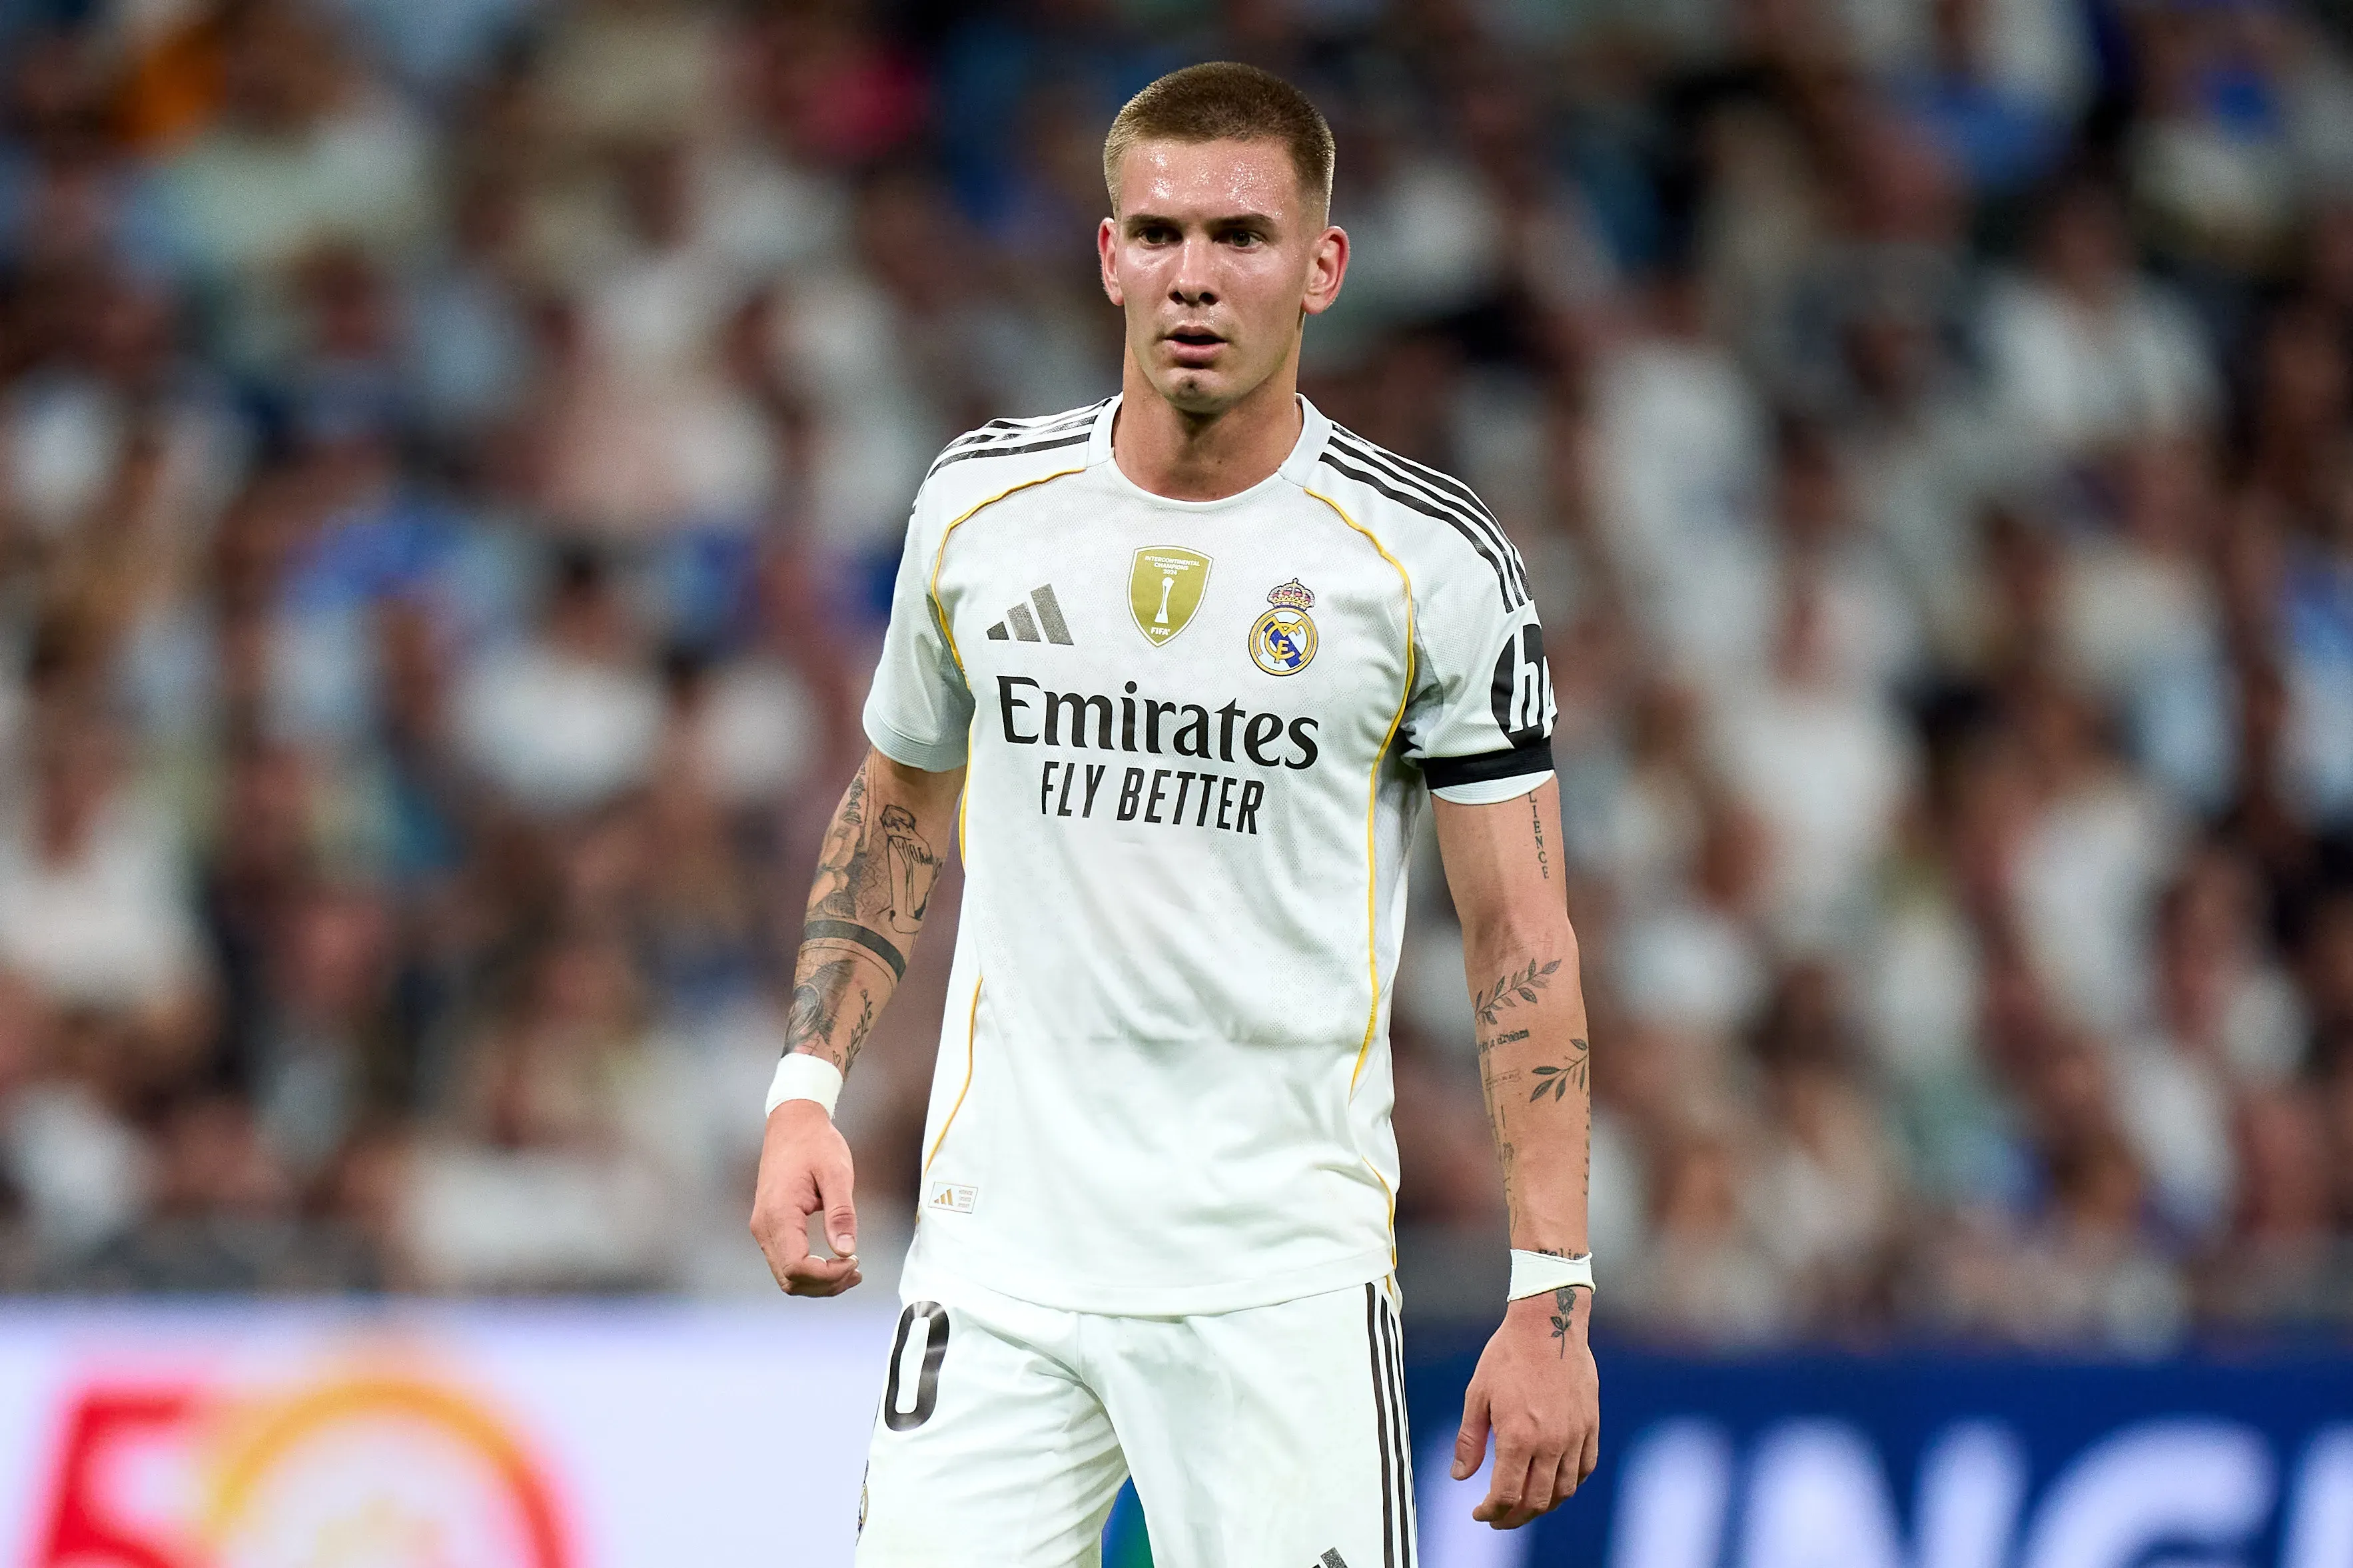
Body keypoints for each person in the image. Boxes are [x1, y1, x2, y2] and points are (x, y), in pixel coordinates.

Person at [749, 61, 1600, 1567]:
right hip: (1000, 1264)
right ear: (1104, 256)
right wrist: (805, 1086)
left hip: (1275, 1282)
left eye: (1240, 236)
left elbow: (1520, 937)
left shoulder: (1430, 567)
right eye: (1155, 234)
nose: (1191, 277)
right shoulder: (978, 511)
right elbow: (896, 800)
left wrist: (1548, 1291)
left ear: (1320, 266)